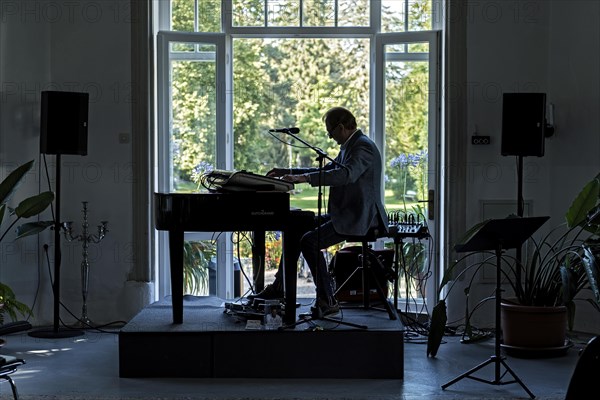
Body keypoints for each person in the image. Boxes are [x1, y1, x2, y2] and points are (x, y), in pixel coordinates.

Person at [248, 106, 388, 318]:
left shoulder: (363, 147)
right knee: (296, 228)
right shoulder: (351, 146)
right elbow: (329, 171)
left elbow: (345, 175)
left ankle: (327, 299)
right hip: (347, 214)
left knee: (310, 242)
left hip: (361, 218)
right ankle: (279, 286)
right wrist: (289, 173)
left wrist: (303, 179)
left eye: (330, 132)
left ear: (341, 127)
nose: (330, 138)